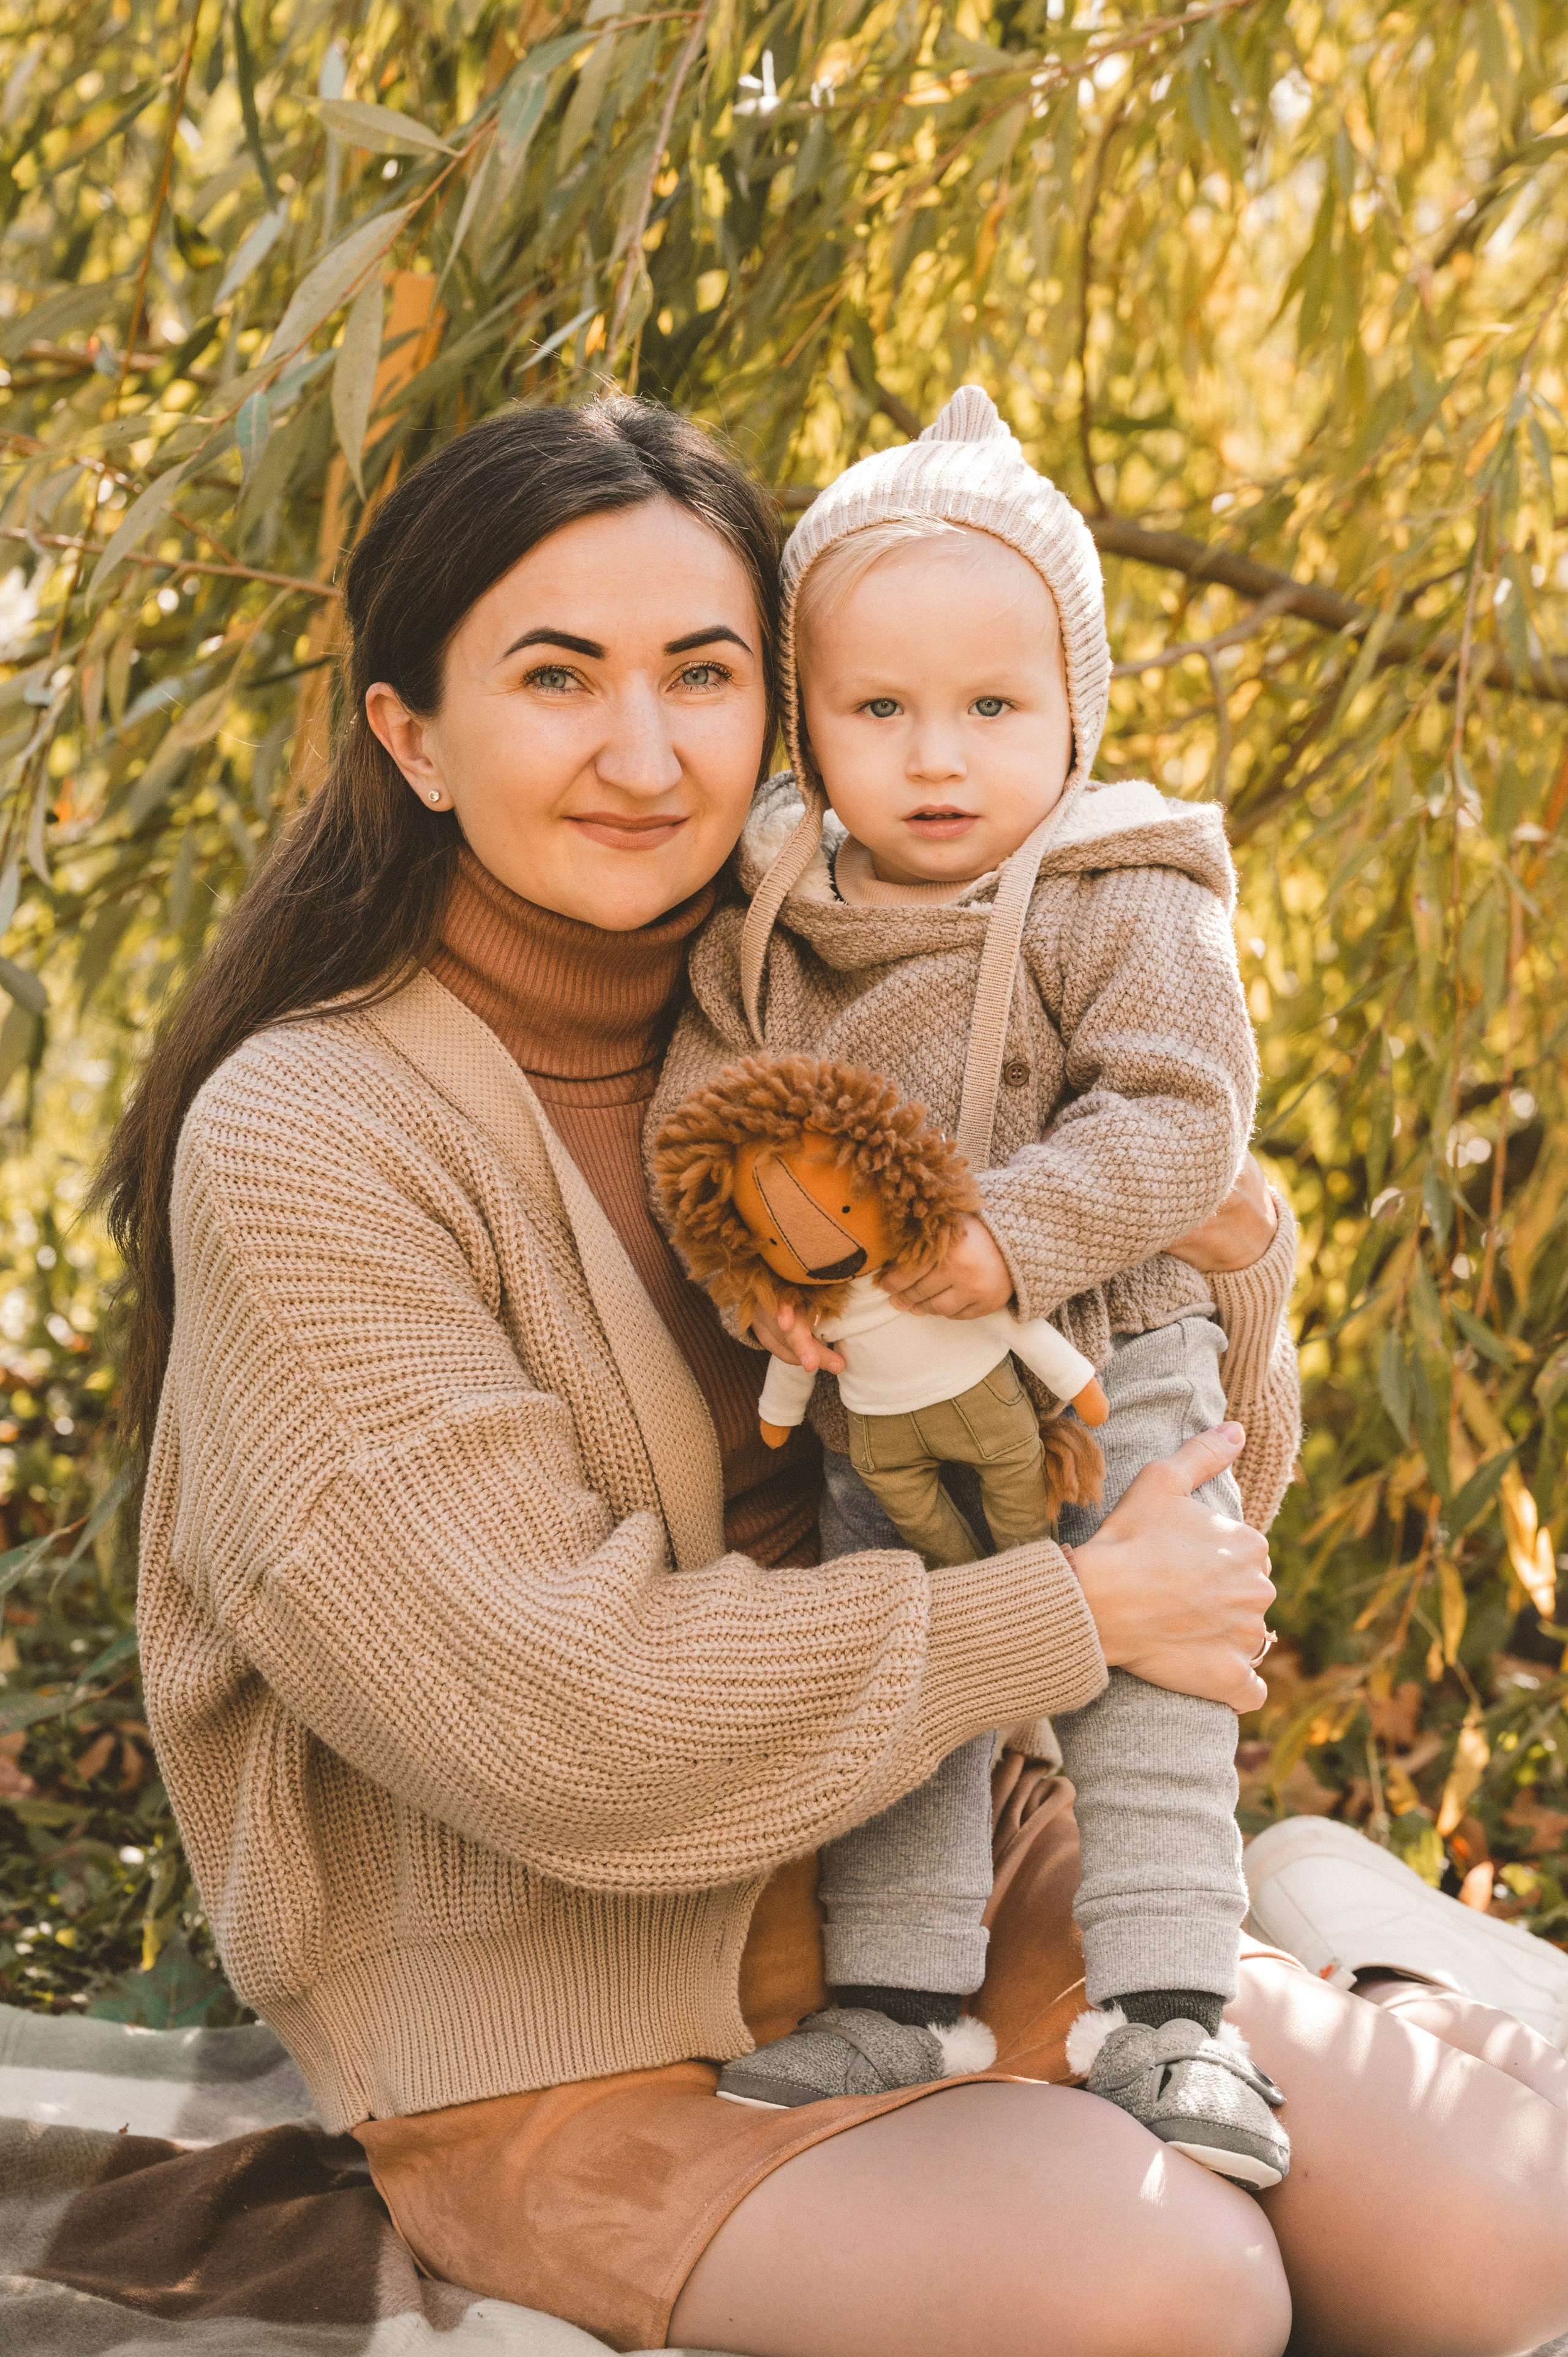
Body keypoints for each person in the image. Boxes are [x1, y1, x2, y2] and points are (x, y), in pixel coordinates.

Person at [102, 394, 1568, 2357]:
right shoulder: (311, 1136)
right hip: (570, 2014)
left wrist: (1226, 1267)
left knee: (1503, 2248)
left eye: (704, 675)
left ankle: (1337, 1961)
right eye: (558, 677)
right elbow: (549, 1715)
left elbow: (1157, 1507)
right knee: (1167, 2294)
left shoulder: (866, 994)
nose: (647, 755)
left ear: (778, 712)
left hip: (952, 1866)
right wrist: (1068, 1617)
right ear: (414, 735)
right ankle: (1310, 1971)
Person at [651, 385, 1297, 2189]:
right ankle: (898, 1991)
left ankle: (1173, 2011)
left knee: (1153, 1694)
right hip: (893, 1384)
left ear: (1077, 707)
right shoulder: (772, 919)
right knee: (915, 1661)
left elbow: (1183, 1116)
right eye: (879, 711)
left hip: (1112, 1355)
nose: (938, 759)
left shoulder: (1124, 888)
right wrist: (756, 1288)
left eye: (994, 709)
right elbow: (712, 1120)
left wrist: (1007, 1232)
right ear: (806, 720)